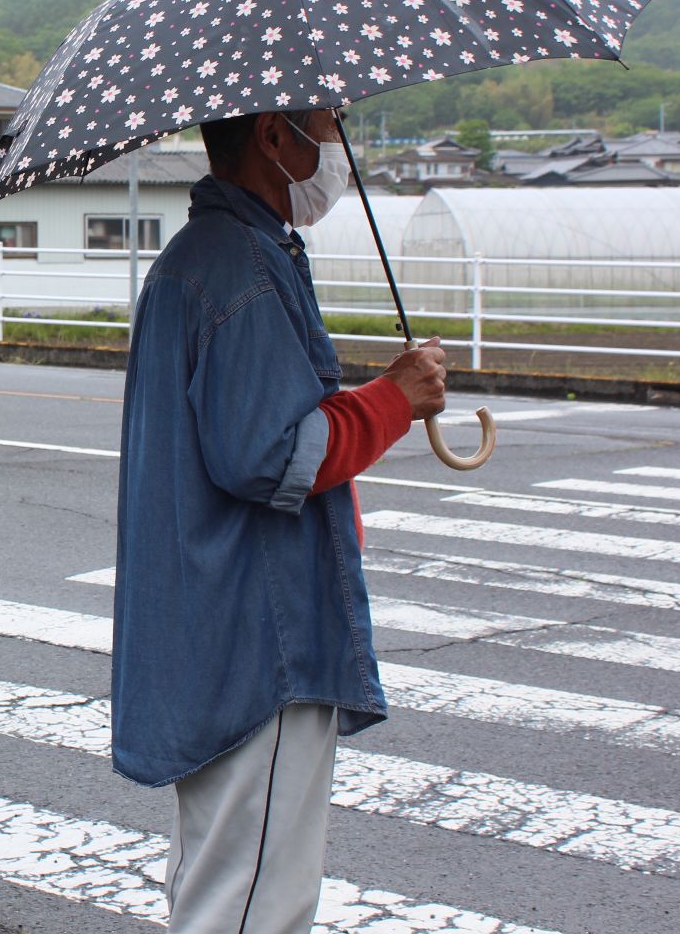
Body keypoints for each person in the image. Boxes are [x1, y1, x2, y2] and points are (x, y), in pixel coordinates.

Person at [112, 107, 449, 933]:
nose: (336, 147)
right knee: (257, 898)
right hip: (260, 633)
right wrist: (391, 401)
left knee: (222, 875)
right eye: (327, 126)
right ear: (273, 136)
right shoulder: (242, 269)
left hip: (214, 618)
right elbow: (269, 453)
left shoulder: (213, 256)